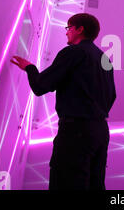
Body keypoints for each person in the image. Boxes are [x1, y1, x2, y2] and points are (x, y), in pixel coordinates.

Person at [11, 13, 116, 190]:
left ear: (80, 29)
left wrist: (29, 68)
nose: (66, 32)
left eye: (69, 28)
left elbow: (41, 85)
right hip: (100, 131)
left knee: (67, 183)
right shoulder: (104, 59)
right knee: (94, 185)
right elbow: (112, 96)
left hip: (76, 131)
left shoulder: (73, 53)